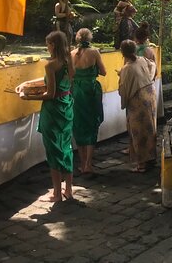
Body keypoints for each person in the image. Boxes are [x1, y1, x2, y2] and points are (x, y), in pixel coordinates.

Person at [17, 31, 75, 202]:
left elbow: (50, 93)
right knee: (66, 146)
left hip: (53, 109)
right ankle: (68, 190)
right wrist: (28, 84)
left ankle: (57, 193)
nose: (46, 47)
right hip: (67, 105)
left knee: (53, 149)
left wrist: (28, 97)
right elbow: (59, 83)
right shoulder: (68, 61)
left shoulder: (50, 66)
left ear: (54, 45)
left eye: (48, 44)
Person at [71, 28, 106, 175]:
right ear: (90, 38)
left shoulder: (71, 53)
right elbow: (103, 72)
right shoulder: (94, 52)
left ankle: (82, 161)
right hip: (90, 90)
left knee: (78, 124)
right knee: (92, 123)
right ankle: (88, 164)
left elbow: (70, 74)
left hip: (76, 91)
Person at [118, 40, 157, 173]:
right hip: (150, 94)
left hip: (138, 100)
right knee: (150, 127)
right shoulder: (141, 60)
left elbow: (124, 90)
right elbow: (152, 66)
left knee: (138, 131)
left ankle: (141, 164)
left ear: (122, 52)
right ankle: (151, 157)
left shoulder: (126, 68)